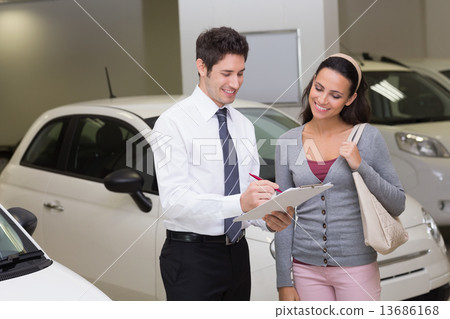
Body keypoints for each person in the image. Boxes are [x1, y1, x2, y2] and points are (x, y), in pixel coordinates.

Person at [151, 26, 293, 301]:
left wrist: (268, 218)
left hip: (238, 254)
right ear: (201, 66)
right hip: (192, 258)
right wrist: (240, 203)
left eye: (240, 73)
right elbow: (175, 201)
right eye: (226, 74)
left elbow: (248, 190)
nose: (236, 83)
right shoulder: (172, 123)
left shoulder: (242, 125)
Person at [274, 53, 406, 301]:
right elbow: (284, 215)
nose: (322, 100)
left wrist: (360, 165)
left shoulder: (367, 137)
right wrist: (284, 279)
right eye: (319, 88)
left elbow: (398, 203)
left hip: (356, 269)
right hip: (305, 270)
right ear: (312, 82)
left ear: (350, 99)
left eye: (335, 95)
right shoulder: (287, 142)